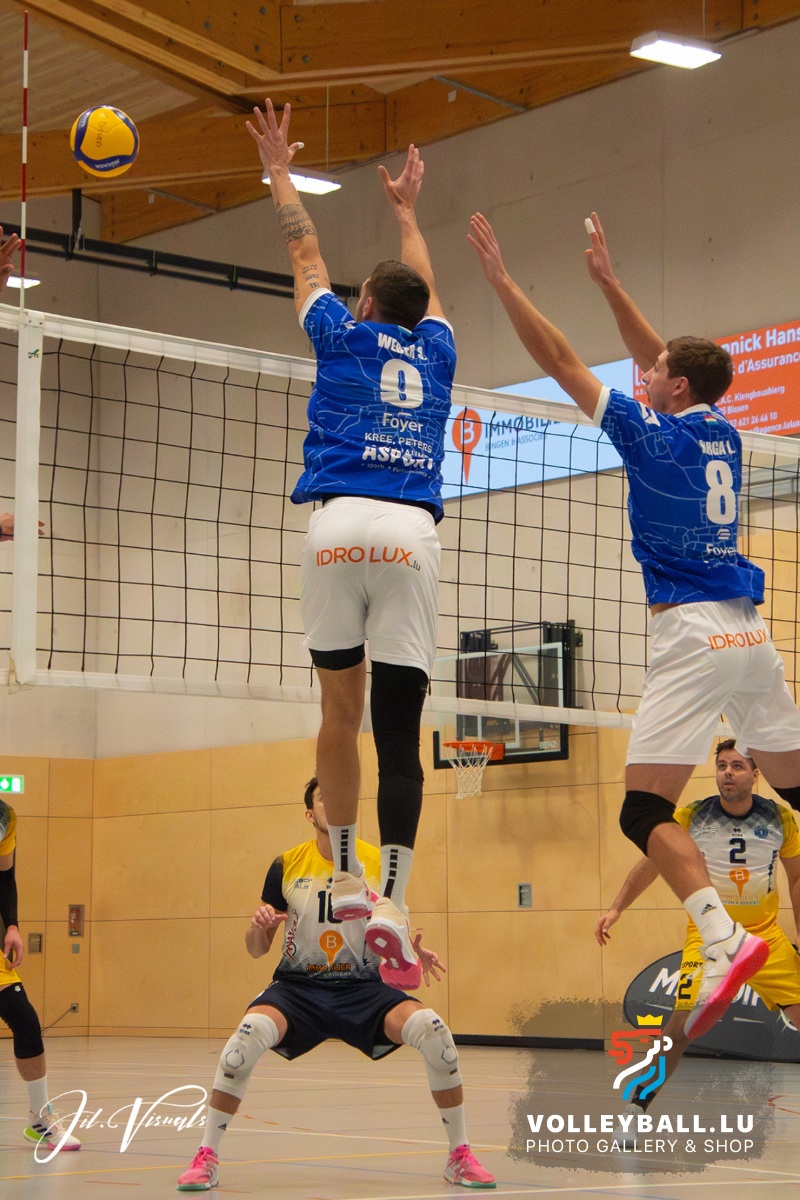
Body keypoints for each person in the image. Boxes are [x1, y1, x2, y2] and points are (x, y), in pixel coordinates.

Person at [468, 209, 800, 1040]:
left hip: (692, 637)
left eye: (654, 372)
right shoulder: (722, 429)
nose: (644, 373)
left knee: (640, 813)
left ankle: (723, 939)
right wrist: (611, 285)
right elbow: (673, 361)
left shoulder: (646, 433)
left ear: (672, 389)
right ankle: (727, 940)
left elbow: (560, 360)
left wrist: (503, 283)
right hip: (752, 635)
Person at [246, 100, 457, 989]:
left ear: (364, 304)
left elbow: (305, 256)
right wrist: (410, 215)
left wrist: (279, 169)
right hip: (409, 535)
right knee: (400, 732)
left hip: (334, 530)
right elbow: (427, 290)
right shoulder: (438, 353)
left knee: (339, 713)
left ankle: (342, 880)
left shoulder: (337, 332)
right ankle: (394, 901)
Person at [176, 777, 495, 1191]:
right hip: (298, 989)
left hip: (365, 988)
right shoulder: (287, 864)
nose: (333, 801)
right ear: (310, 814)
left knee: (435, 1033)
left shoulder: (376, 861)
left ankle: (459, 1155)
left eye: (337, 794)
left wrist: (412, 951)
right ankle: (206, 1156)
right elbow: (257, 949)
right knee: (244, 1041)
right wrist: (258, 927)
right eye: (322, 798)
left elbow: (391, 923)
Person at [595, 739, 800, 1114]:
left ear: (756, 774)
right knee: (679, 1028)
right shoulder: (692, 816)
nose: (727, 773)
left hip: (765, 937)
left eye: (737, 766)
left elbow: (797, 878)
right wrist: (616, 908)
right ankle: (636, 1108)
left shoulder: (780, 818)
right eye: (722, 766)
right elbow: (652, 863)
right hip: (709, 939)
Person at [0, 799, 81, 1152]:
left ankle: (39, 1120)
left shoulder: (4, 817)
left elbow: (5, 877)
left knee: (26, 1020)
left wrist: (12, 926)